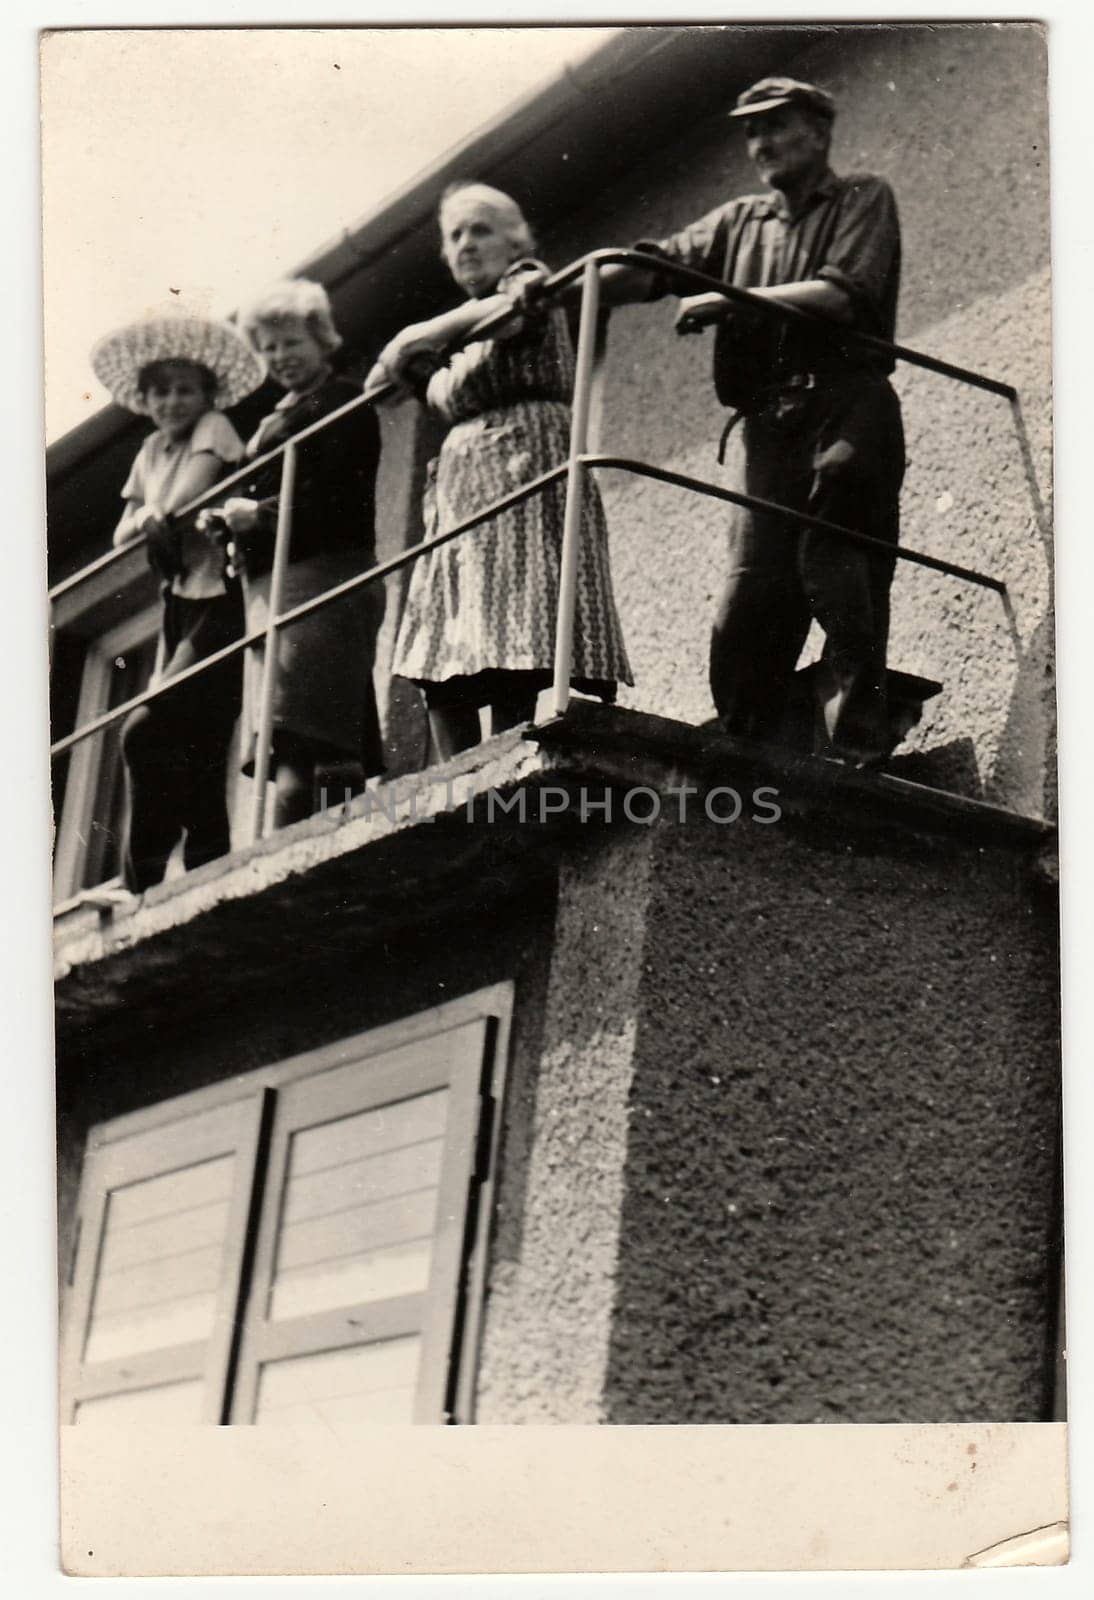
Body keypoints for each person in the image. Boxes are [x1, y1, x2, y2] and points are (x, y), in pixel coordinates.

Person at [605, 76, 905, 766]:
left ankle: (857, 744)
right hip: (769, 424)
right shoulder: (740, 221)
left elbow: (839, 294)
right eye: (751, 131)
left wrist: (731, 301)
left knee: (836, 560)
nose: (761, 143)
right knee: (748, 592)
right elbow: (654, 269)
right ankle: (745, 741)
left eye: (777, 125)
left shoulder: (863, 195)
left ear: (820, 132)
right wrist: (559, 285)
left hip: (845, 404)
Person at [367, 181, 632, 760]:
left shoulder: (527, 280)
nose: (465, 244)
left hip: (523, 463)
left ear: (513, 242)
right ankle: (460, 774)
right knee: (445, 641)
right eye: (454, 235)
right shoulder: (461, 332)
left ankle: (508, 754)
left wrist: (417, 337)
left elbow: (512, 319)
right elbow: (379, 386)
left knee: (515, 624)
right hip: (465, 487)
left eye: (480, 229)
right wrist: (420, 354)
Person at [200, 279, 385, 826]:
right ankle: (313, 860)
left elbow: (337, 496)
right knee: (306, 741)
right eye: (270, 347)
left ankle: (296, 865)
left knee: (307, 743)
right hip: (275, 589)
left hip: (322, 581)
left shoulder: (339, 400)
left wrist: (258, 516)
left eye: (291, 343)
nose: (281, 356)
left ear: (322, 340)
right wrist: (229, 525)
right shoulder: (272, 417)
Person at [90, 312, 264, 891]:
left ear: (207, 394)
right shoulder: (150, 450)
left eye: (185, 388)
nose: (172, 401)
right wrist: (143, 516)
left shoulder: (214, 427)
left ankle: (140, 870)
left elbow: (186, 501)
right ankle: (207, 861)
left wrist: (150, 515)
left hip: (223, 595)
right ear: (143, 398)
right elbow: (124, 532)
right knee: (200, 743)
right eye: (160, 391)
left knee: (144, 729)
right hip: (181, 603)